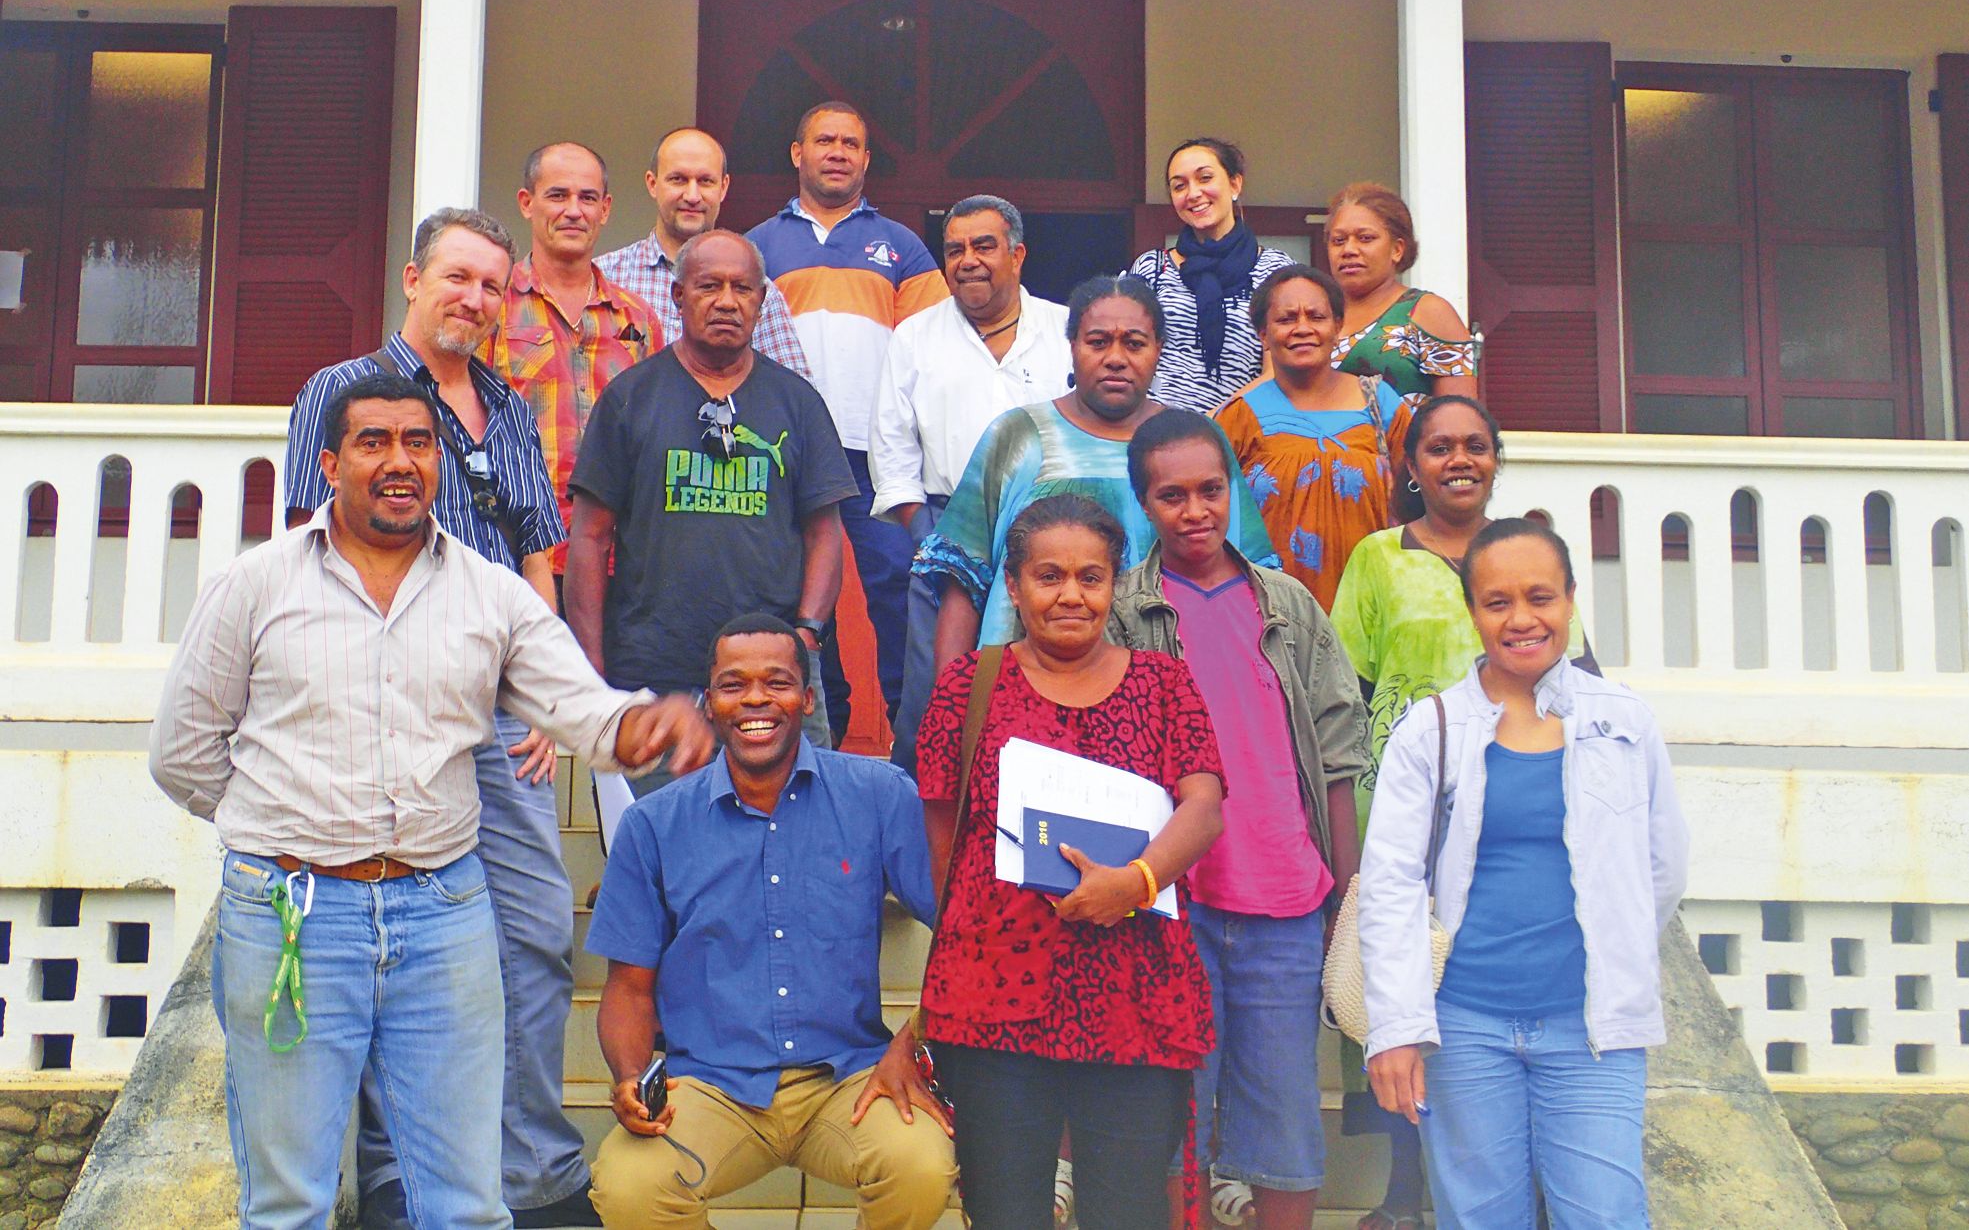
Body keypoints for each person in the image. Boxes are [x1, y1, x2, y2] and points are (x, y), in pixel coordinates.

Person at [152, 374, 714, 1230]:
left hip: (443, 914)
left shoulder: (490, 592)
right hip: (292, 914)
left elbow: (584, 711)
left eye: (418, 443)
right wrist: (281, 827)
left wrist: (642, 724)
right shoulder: (254, 584)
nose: (399, 461)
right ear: (330, 464)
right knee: (290, 1202)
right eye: (373, 442)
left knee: (466, 1203)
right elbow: (183, 754)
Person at [283, 207, 594, 1228]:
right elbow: (307, 544)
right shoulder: (342, 392)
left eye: (492, 284)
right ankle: (394, 1174)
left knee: (535, 931)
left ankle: (531, 1169)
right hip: (391, 709)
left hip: (497, 711)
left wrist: (545, 684)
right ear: (414, 278)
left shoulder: (503, 402)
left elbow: (539, 549)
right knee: (391, 939)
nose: (474, 298)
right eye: (457, 277)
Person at [1359, 520, 1688, 1230]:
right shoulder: (1431, 729)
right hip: (1464, 1028)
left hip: (1590, 1028)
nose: (1521, 619)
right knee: (1481, 1219)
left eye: (1540, 597)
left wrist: (1612, 951)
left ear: (1570, 600)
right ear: (1471, 611)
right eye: (1497, 602)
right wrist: (1396, 1028)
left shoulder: (1624, 722)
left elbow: (1660, 869)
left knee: (1604, 1216)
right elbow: (1389, 886)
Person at [915, 494, 1226, 1230]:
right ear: (1014, 585)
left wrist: (1136, 882)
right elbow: (944, 844)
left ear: (1115, 583)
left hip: (1133, 993)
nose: (1070, 595)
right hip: (995, 999)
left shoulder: (1163, 683)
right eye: (1048, 576)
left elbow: (1205, 806)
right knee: (1004, 1209)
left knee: (1127, 1209)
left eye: (1091, 577)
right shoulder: (968, 685)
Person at [585, 613, 956, 1229]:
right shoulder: (654, 825)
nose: (755, 699)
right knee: (629, 1187)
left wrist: (914, 1038)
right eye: (733, 685)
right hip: (710, 1084)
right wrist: (630, 1078)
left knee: (919, 1164)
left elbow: (963, 930)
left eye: (777, 682)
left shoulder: (877, 794)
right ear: (709, 703)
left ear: (807, 698)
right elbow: (628, 989)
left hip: (848, 1077)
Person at [1329, 397, 1600, 1230]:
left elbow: (1578, 682)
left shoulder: (1522, 554)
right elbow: (1343, 695)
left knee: (1484, 1002)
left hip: (1515, 814)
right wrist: (1343, 842)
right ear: (1409, 466)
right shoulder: (1378, 558)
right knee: (1403, 995)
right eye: (1438, 447)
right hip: (1402, 810)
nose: (1458, 460)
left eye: (1474, 446)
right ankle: (1403, 1195)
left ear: (1494, 459)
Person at [1108, 411, 1369, 1230]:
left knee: (1285, 1120)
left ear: (1232, 489)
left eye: (1210, 490)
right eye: (1171, 496)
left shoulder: (1287, 606)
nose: (1195, 512)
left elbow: (1336, 753)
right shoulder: (1124, 612)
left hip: (1285, 901)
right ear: (1143, 503)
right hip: (1171, 904)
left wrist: (1344, 896)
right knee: (1174, 1118)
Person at [565, 230, 856, 780]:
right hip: (653, 676)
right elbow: (590, 537)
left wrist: (807, 638)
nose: (727, 301)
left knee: (794, 819)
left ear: (760, 301)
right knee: (661, 829)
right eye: (709, 286)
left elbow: (825, 534)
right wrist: (591, 663)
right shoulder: (630, 398)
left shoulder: (797, 402)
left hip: (773, 677)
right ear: (678, 296)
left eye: (742, 289)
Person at [915, 273, 1276, 669]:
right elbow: (963, 582)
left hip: (1174, 680)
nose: (1116, 358)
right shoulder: (1018, 436)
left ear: (1158, 349)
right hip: (1024, 683)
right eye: (1098, 342)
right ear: (1071, 345)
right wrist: (951, 694)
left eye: (1134, 343)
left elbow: (1250, 578)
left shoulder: (1196, 441)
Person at [748, 101, 949, 717]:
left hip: (876, 454)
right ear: (797, 153)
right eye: (824, 140)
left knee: (899, 584)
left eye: (850, 143)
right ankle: (822, 725)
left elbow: (933, 351)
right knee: (800, 596)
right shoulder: (757, 245)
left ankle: (913, 730)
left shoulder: (903, 247)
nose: (837, 152)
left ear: (865, 159)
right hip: (784, 453)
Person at [869, 193, 1072, 771]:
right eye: (955, 250)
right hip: (947, 530)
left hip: (1055, 534)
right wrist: (925, 531)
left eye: (984, 246)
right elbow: (891, 445)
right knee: (934, 693)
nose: (968, 261)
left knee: (1046, 682)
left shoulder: (1066, 329)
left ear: (1018, 255)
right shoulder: (915, 336)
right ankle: (924, 812)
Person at [479, 141, 663, 589]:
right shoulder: (492, 309)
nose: (574, 211)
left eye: (588, 198)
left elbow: (657, 436)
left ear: (605, 209)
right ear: (527, 203)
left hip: (618, 559)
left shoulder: (637, 320)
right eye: (557, 196)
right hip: (515, 553)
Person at [1217, 264, 1411, 611]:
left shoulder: (1381, 405)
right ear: (1263, 334)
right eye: (1286, 319)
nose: (1302, 328)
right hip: (1272, 612)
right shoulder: (1239, 416)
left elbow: (1420, 500)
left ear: (1337, 327)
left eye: (1316, 317)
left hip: (1375, 606)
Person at [596, 126, 813, 377]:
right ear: (652, 184)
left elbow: (792, 392)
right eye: (678, 179)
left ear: (724, 187)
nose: (692, 196)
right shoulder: (605, 279)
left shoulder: (755, 292)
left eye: (705, 181)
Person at [1128, 137, 1295, 413]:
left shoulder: (1274, 271)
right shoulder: (1152, 269)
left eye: (1205, 178)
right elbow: (1127, 357)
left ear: (1235, 184)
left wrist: (1212, 422)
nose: (1193, 193)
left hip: (1239, 429)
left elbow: (1277, 372)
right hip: (1154, 428)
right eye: (1179, 186)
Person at [1327, 182, 1478, 400]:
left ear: (1397, 249)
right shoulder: (1314, 316)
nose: (1348, 250)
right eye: (1338, 241)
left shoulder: (1429, 313)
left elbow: (1460, 413)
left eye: (1365, 238)